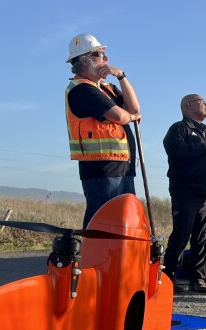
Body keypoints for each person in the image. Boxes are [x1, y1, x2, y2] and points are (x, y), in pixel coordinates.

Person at [64, 34, 141, 228]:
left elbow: (135, 109)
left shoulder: (108, 88)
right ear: (84, 61)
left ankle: (117, 259)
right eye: (99, 54)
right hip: (101, 169)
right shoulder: (81, 90)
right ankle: (94, 259)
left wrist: (121, 76)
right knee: (103, 223)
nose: (106, 59)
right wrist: (131, 118)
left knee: (121, 222)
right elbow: (121, 116)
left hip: (122, 165)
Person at [162, 94, 206, 293]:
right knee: (181, 235)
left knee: (202, 238)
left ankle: (198, 280)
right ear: (188, 105)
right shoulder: (179, 129)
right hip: (185, 191)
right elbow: (174, 151)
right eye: (202, 101)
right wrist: (201, 148)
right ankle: (169, 277)